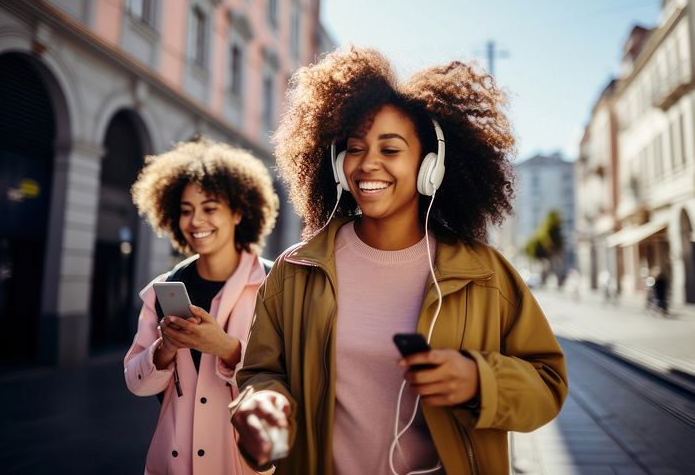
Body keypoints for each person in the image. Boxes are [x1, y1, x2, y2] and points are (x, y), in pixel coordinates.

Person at [229, 48, 568, 475]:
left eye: (390, 149)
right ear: (337, 165)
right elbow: (260, 372)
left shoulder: (485, 273)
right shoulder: (296, 270)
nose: (368, 163)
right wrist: (262, 406)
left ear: (431, 168)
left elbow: (548, 384)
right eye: (355, 148)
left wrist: (480, 380)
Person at [124, 136, 278, 474]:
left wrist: (227, 348)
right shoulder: (162, 289)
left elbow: (291, 382)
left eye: (210, 208)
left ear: (238, 212)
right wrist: (164, 349)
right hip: (173, 462)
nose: (196, 222)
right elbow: (137, 384)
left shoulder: (275, 285)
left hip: (242, 464)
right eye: (186, 210)